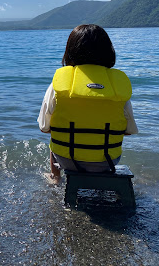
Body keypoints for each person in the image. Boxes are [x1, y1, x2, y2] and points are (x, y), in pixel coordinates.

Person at [37, 24, 138, 184]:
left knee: (55, 140)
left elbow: (44, 128)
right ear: (108, 51)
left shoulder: (59, 85)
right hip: (107, 161)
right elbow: (129, 131)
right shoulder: (116, 86)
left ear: (69, 51)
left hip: (67, 159)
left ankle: (55, 177)